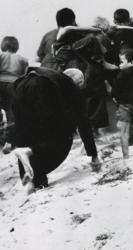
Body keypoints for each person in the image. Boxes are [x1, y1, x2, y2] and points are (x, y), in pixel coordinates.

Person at [11, 67, 100, 195]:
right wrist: (93, 155)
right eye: (81, 84)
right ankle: (30, 152)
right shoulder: (70, 85)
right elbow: (83, 122)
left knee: (29, 134)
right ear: (79, 82)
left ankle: (33, 181)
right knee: (62, 137)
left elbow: (20, 128)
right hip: (41, 87)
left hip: (19, 86)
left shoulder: (50, 76)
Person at [0, 36, 28, 153]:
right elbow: (23, 76)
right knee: (12, 114)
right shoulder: (23, 59)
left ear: (3, 46)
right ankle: (10, 141)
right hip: (14, 85)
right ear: (16, 46)